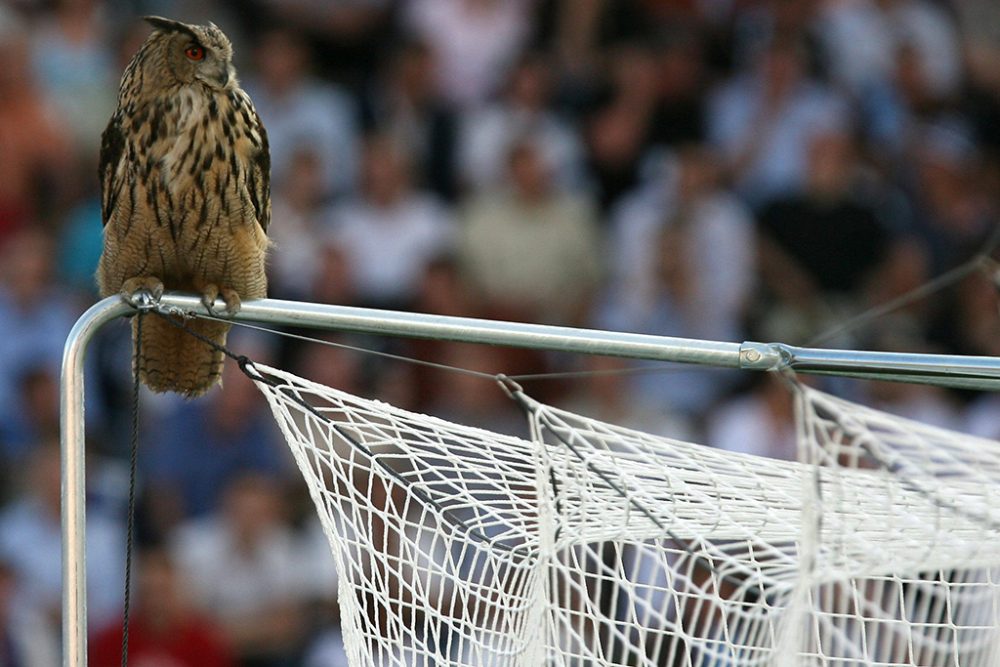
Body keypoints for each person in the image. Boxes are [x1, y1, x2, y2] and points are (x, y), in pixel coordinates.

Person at [89, 546, 236, 667]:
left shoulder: (205, 644)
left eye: (162, 591)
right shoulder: (111, 643)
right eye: (149, 592)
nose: (156, 603)